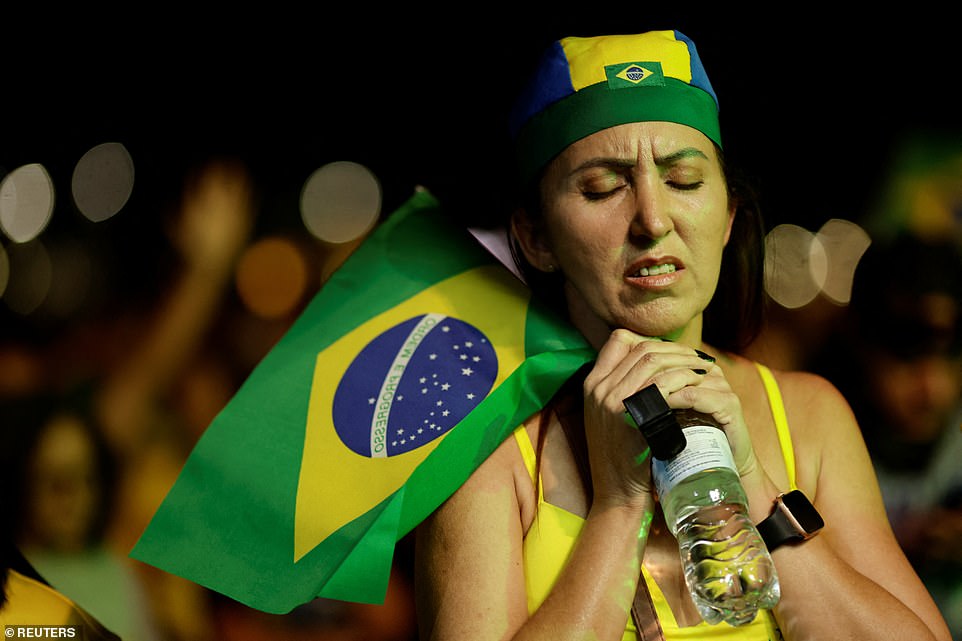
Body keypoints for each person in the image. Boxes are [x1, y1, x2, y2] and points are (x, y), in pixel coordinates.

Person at [413, 30, 952, 640]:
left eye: (685, 180)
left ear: (726, 220)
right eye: (602, 187)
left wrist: (749, 480)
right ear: (537, 237)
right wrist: (619, 505)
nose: (652, 218)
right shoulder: (487, 443)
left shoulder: (807, 416)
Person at [811, 232, 962, 636]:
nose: (933, 387)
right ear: (860, 341)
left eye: (950, 354)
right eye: (906, 351)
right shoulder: (811, 437)